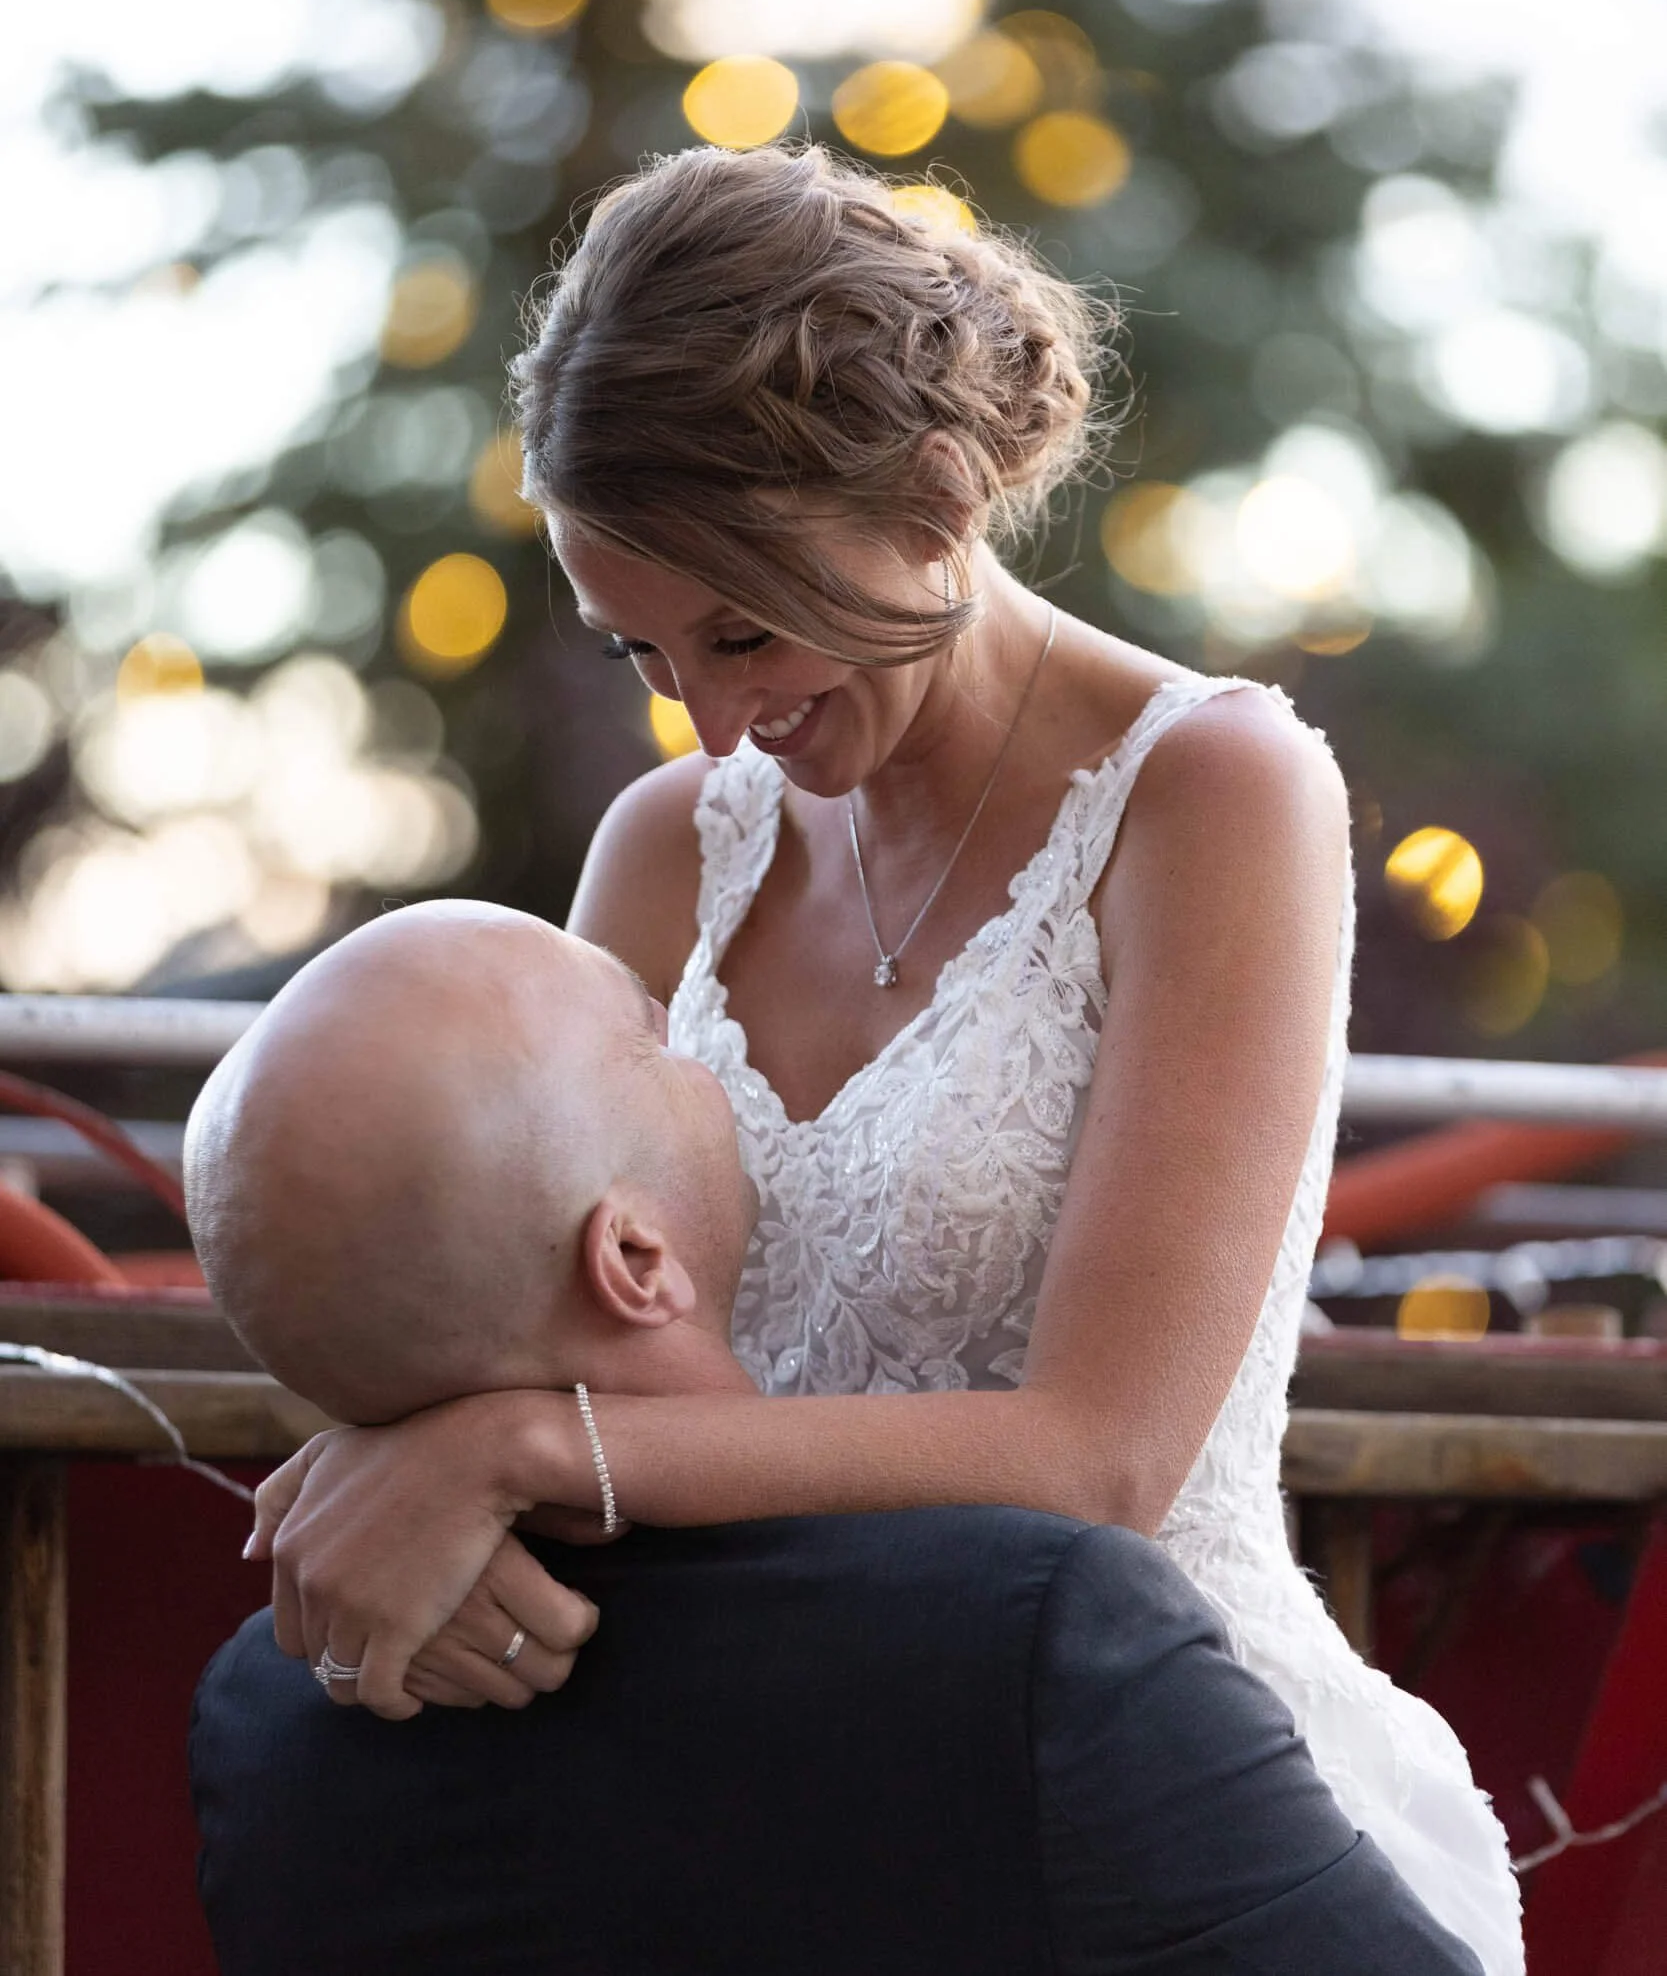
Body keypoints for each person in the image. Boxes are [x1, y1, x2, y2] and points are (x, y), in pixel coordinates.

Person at [246, 144, 1524, 1974]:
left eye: (742, 627)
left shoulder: (1213, 793)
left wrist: (534, 1443)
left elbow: (1100, 1459)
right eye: (645, 646)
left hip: (1124, 1775)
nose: (708, 715)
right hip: (757, 1743)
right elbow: (489, 1274)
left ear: (933, 491)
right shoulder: (671, 846)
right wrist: (421, 1497)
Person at [188, 898, 1481, 1975]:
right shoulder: (1037, 1637)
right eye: (658, 1037)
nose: (707, 1059)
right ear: (634, 1258)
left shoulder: (273, 1707)